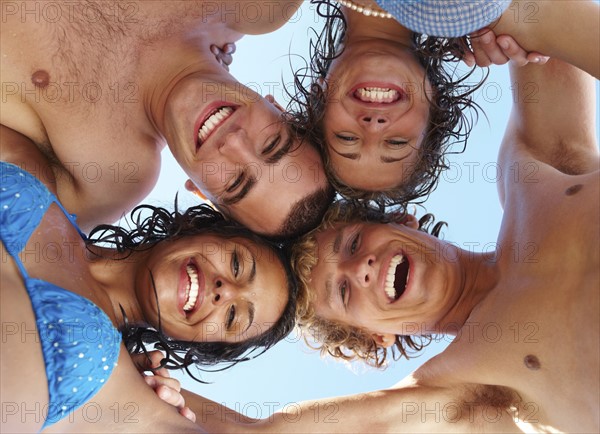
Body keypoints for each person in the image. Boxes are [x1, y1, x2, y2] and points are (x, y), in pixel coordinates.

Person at [161, 24, 598, 433]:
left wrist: (489, 23)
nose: (362, 269)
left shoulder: (537, 173)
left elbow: (545, 19)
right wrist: (130, 370)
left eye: (352, 244)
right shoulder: (467, 389)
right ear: (375, 337)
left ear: (402, 221)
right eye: (345, 292)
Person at [0, 130, 298, 431]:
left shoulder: (115, 388)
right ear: (201, 228)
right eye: (236, 263)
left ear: (198, 344)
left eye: (234, 315)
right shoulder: (33, 172)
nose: (226, 290)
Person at [1, 1, 333, 238]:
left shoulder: (106, 180)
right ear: (280, 108)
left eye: (235, 182)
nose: (234, 143)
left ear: (202, 195)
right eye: (271, 143)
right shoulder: (255, 8)